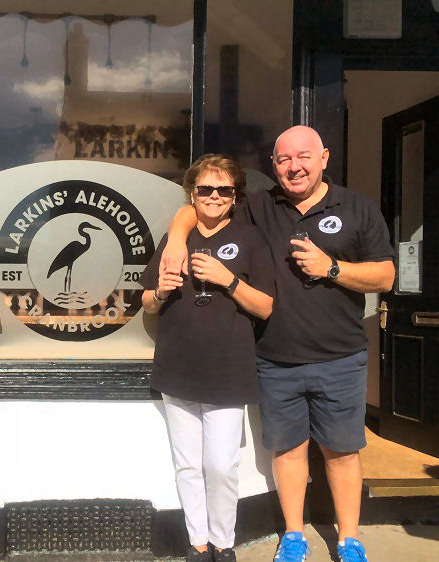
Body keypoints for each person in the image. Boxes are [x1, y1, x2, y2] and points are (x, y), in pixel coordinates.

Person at [161, 126, 395, 562]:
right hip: (274, 356)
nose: (294, 166)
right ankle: (293, 535)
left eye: (304, 156)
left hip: (341, 355)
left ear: (324, 157)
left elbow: (385, 276)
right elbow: (203, 205)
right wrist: (176, 239)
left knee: (343, 452)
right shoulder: (260, 206)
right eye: (284, 159)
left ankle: (349, 540)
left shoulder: (356, 207)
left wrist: (332, 267)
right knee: (287, 452)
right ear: (274, 165)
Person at [141, 154, 274, 562]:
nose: (214, 196)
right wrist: (161, 292)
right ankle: (198, 543)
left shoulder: (251, 239)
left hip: (227, 370)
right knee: (187, 465)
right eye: (205, 189)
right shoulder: (174, 239)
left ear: (235, 196)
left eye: (224, 190)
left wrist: (227, 279)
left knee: (220, 466)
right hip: (177, 367)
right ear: (192, 194)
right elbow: (147, 302)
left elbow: (265, 306)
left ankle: (223, 542)